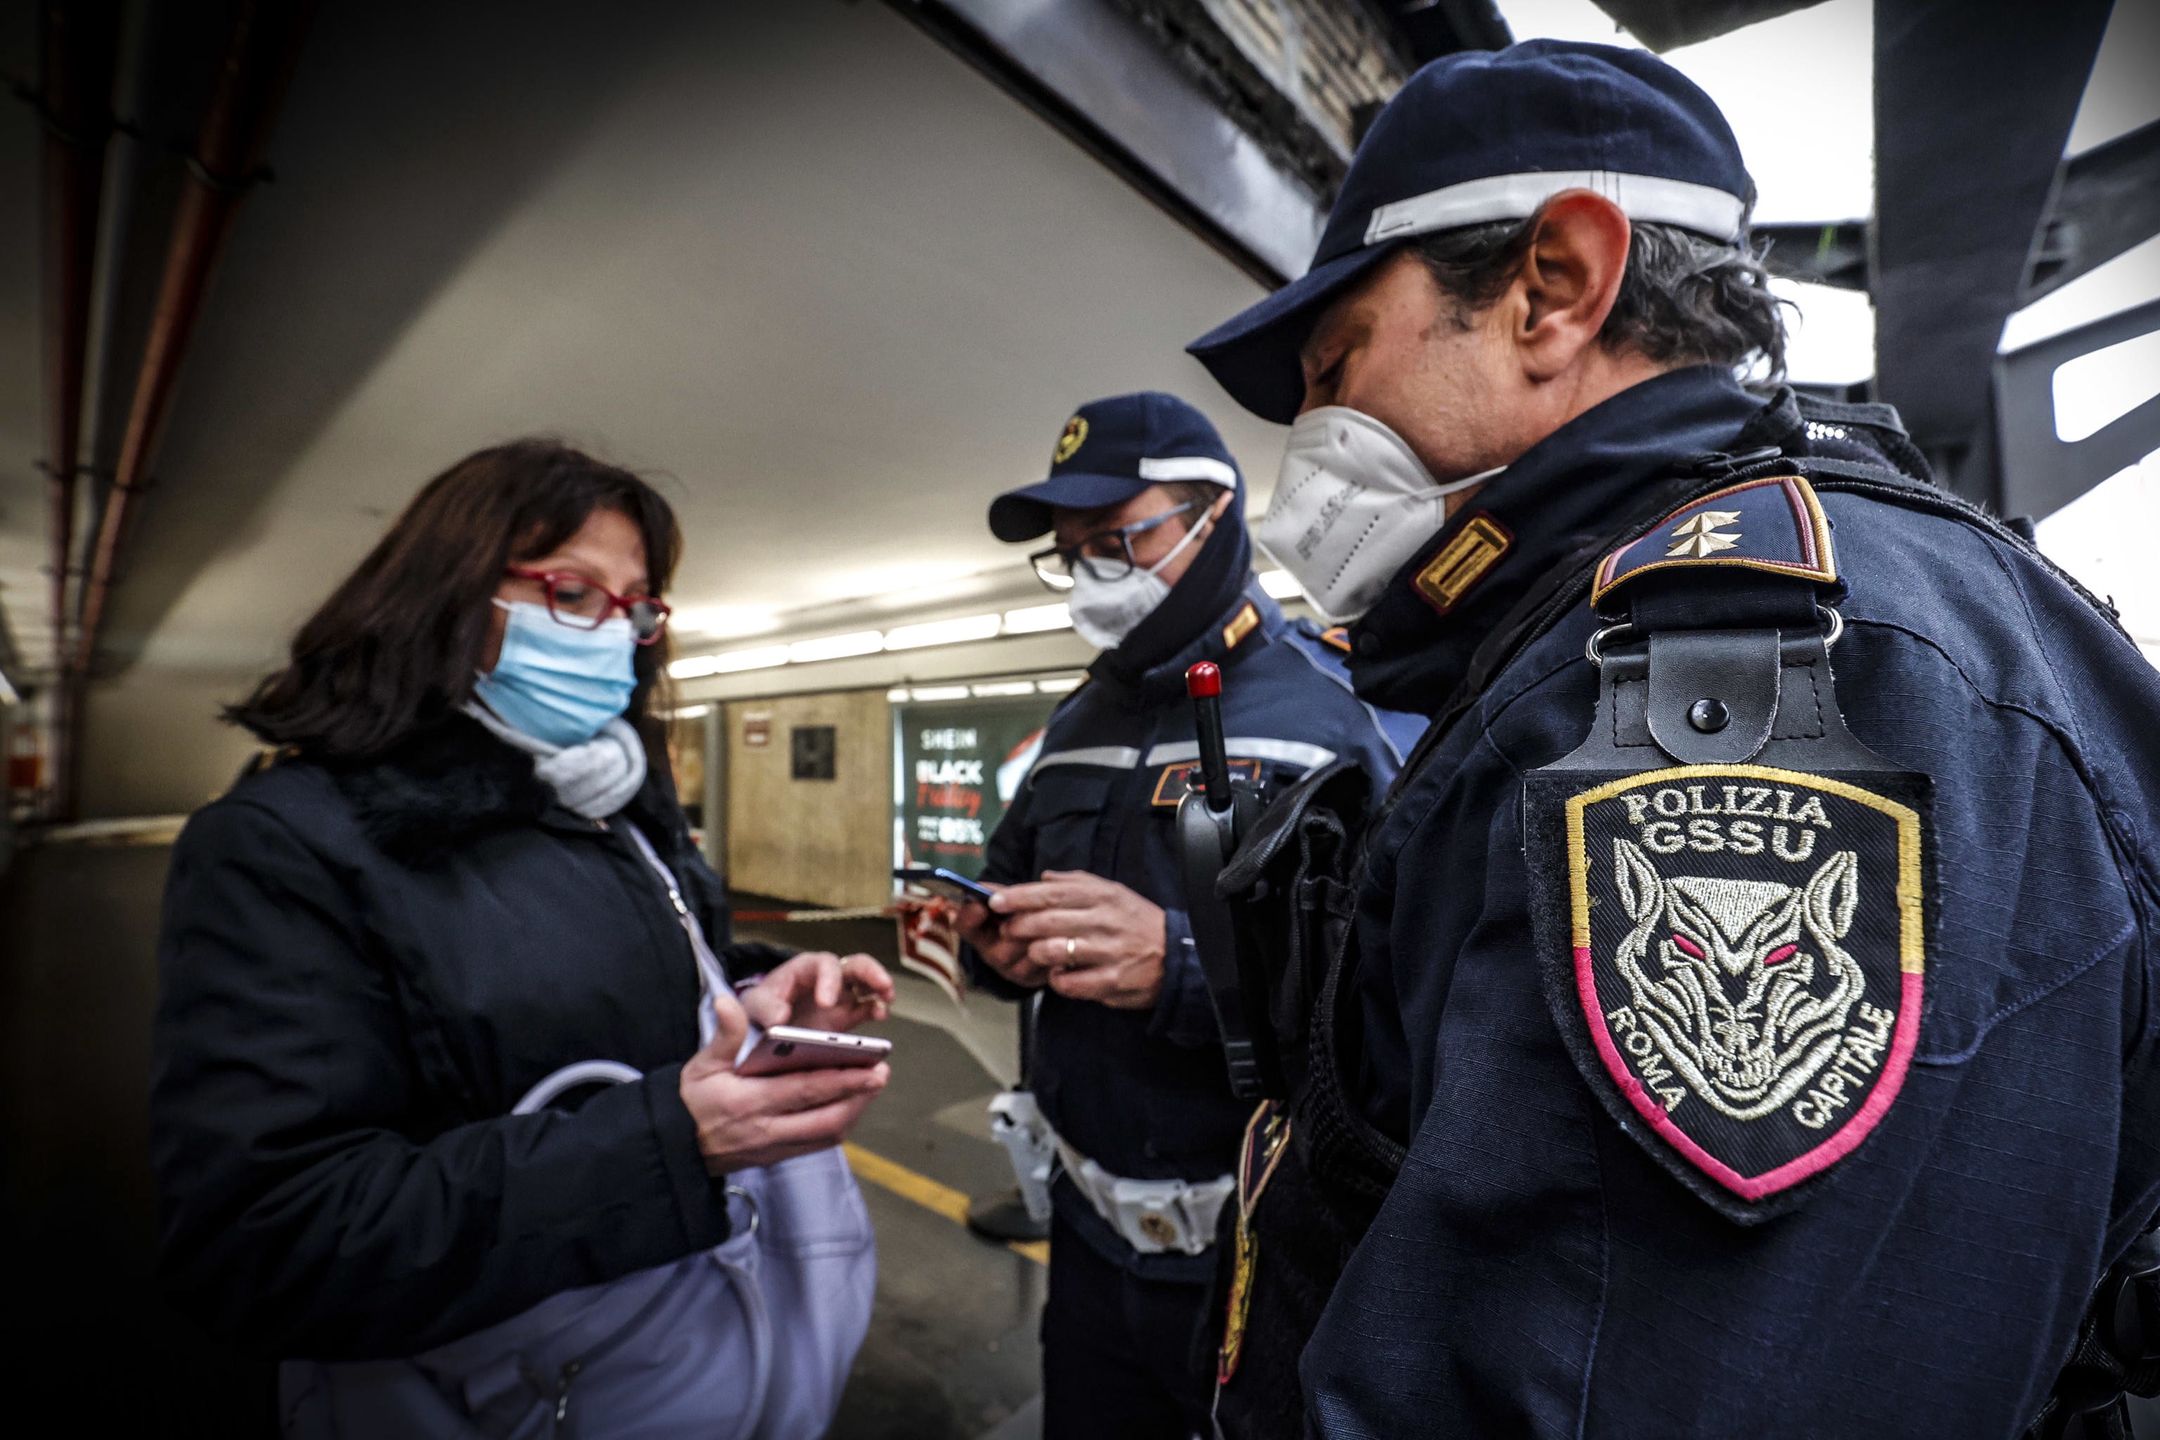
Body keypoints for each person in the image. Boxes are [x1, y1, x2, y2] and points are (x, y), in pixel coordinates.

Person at [1184, 39, 2160, 1440]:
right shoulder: (1673, 626)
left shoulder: (1736, 666)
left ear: (1555, 287)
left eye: (1336, 365)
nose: (1322, 435)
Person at [149, 439, 896, 1437]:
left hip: (705, 1361)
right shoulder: (285, 843)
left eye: (635, 606)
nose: (615, 634)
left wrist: (751, 991)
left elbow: (609, 975)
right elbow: (269, 1241)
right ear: (444, 598)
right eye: (573, 592)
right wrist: (671, 1143)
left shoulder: (614, 806)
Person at [952, 392, 1422, 1438]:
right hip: (1080, 1237)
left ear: (1216, 515)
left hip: (1252, 1253)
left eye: (1120, 539)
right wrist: (993, 948)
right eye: (1073, 554)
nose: (1094, 576)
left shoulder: (1333, 719)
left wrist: (1175, 962)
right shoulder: (1073, 723)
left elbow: (1392, 1004)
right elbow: (1008, 884)